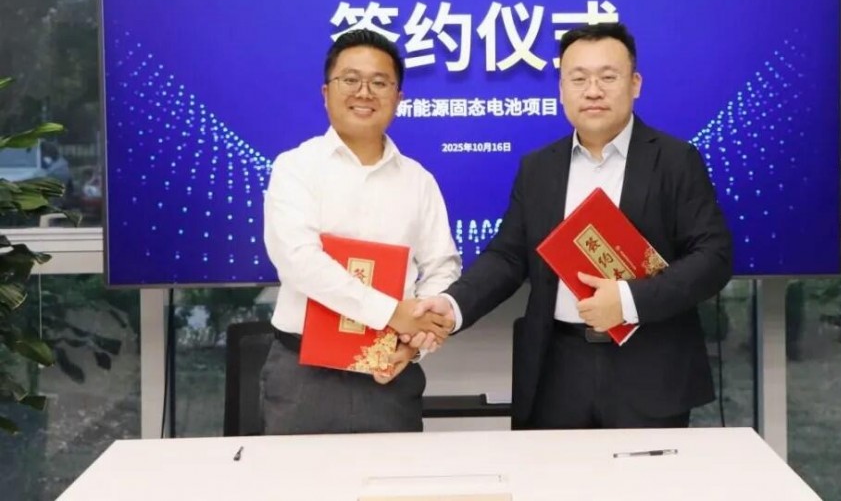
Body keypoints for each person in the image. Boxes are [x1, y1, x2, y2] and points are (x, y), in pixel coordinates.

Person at [413, 22, 732, 430]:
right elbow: (508, 257)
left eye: (607, 77)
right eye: (578, 79)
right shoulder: (539, 168)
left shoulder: (675, 161)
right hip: (556, 370)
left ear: (635, 84)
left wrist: (629, 300)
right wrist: (453, 304)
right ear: (561, 89)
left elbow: (713, 258)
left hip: (649, 369)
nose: (592, 91)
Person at [261, 28, 458, 434]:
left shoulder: (419, 181)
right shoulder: (295, 167)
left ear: (398, 98)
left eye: (380, 83)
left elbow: (443, 267)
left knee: (395, 476)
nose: (364, 92)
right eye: (350, 79)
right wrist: (392, 314)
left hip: (388, 373)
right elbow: (299, 261)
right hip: (303, 378)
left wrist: (414, 343)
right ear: (326, 92)